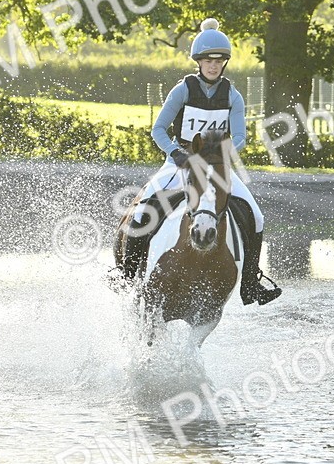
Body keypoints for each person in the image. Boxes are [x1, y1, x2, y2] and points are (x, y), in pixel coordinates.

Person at [119, 18, 282, 305]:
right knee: (144, 209)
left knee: (256, 216)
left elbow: (241, 136)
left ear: (225, 63)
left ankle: (250, 284)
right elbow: (158, 129)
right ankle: (127, 274)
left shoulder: (232, 95)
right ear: (199, 61)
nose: (213, 65)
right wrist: (176, 153)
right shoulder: (183, 90)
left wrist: (221, 154)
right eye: (208, 60)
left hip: (217, 167)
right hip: (180, 162)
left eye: (219, 61)